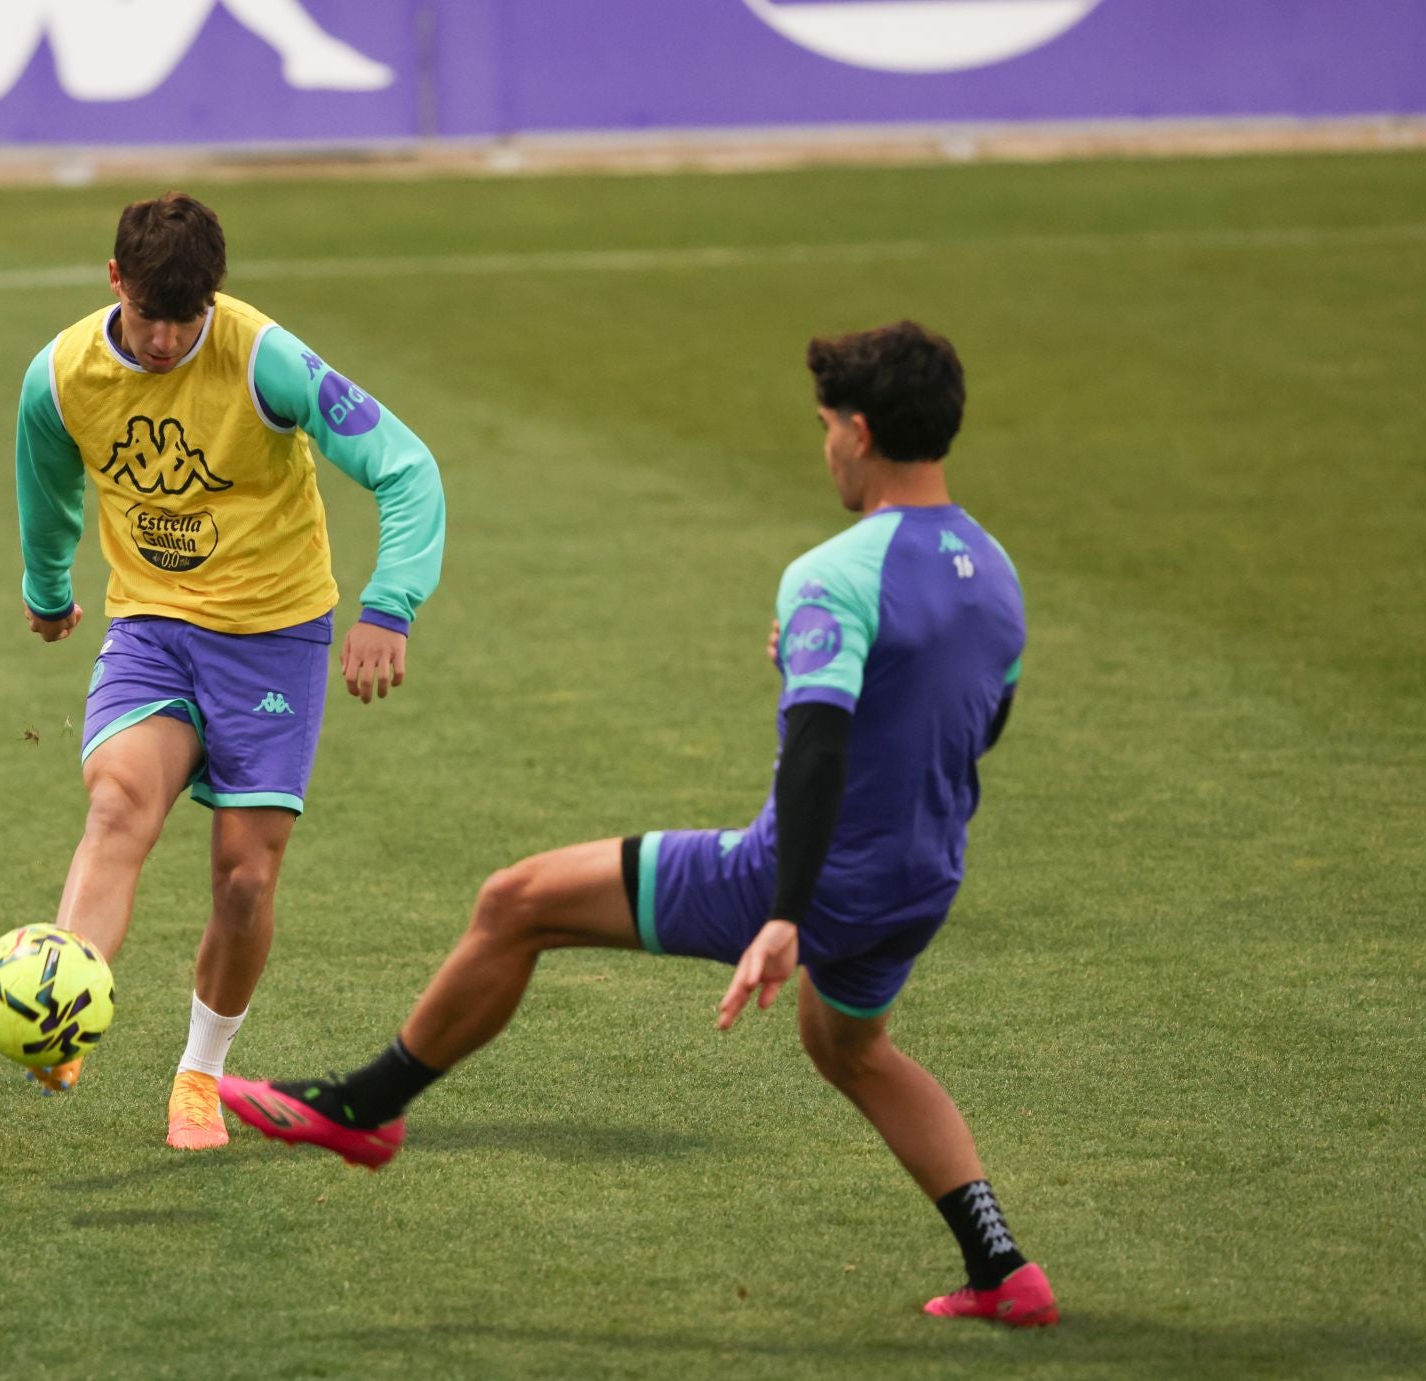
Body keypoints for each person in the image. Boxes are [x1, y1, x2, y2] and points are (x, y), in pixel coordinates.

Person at [219, 321, 1057, 1327]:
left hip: (799, 877)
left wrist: (786, 912)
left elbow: (826, 754)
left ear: (863, 431)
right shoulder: (997, 567)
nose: (826, 445)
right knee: (852, 1051)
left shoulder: (833, 574)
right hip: (922, 876)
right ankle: (1004, 1267)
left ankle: (366, 1107)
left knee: (516, 901)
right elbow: (979, 719)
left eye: (829, 426)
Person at [0, 191, 444, 1152]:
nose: (165, 338)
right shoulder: (60, 375)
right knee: (116, 808)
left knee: (242, 881)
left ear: (213, 302)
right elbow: (48, 478)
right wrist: (48, 584)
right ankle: (60, 1011)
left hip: (274, 639)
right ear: (115, 283)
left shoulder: (266, 358)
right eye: (149, 315)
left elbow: (407, 465)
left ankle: (199, 1073)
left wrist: (389, 606)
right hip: (152, 626)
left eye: (187, 319)